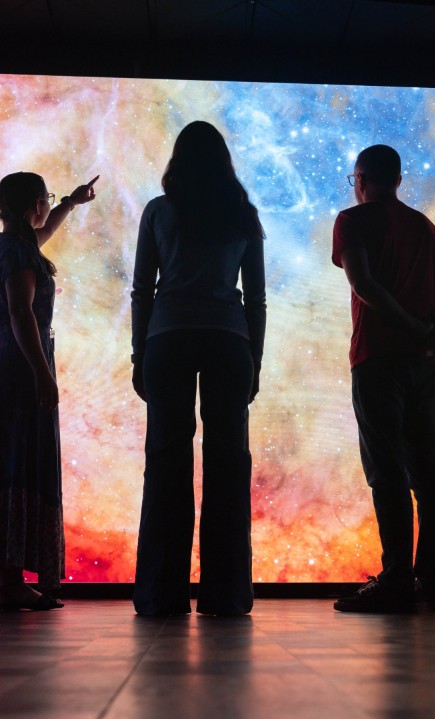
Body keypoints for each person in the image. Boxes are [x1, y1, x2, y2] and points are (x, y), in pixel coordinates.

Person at [130, 120, 266, 617]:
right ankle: (226, 595)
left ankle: (160, 595)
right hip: (229, 340)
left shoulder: (158, 211)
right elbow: (256, 297)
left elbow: (142, 290)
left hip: (167, 338)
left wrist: (138, 354)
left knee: (166, 462)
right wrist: (256, 360)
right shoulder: (243, 214)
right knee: (229, 464)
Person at [0, 171, 98, 611]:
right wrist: (42, 373)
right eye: (46, 200)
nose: (47, 207)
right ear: (34, 204)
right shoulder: (19, 254)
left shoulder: (3, 249)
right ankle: (12, 581)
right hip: (20, 369)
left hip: (0, 365)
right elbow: (21, 313)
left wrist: (70, 202)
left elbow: (44, 231)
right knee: (18, 465)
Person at [331, 145, 435, 613]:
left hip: (377, 357)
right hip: (424, 364)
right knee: (427, 471)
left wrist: (409, 327)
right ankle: (433, 583)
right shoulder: (432, 232)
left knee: (387, 471)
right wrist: (433, 334)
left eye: (354, 180)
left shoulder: (353, 221)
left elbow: (364, 285)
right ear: (399, 180)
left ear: (362, 180)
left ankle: (396, 582)